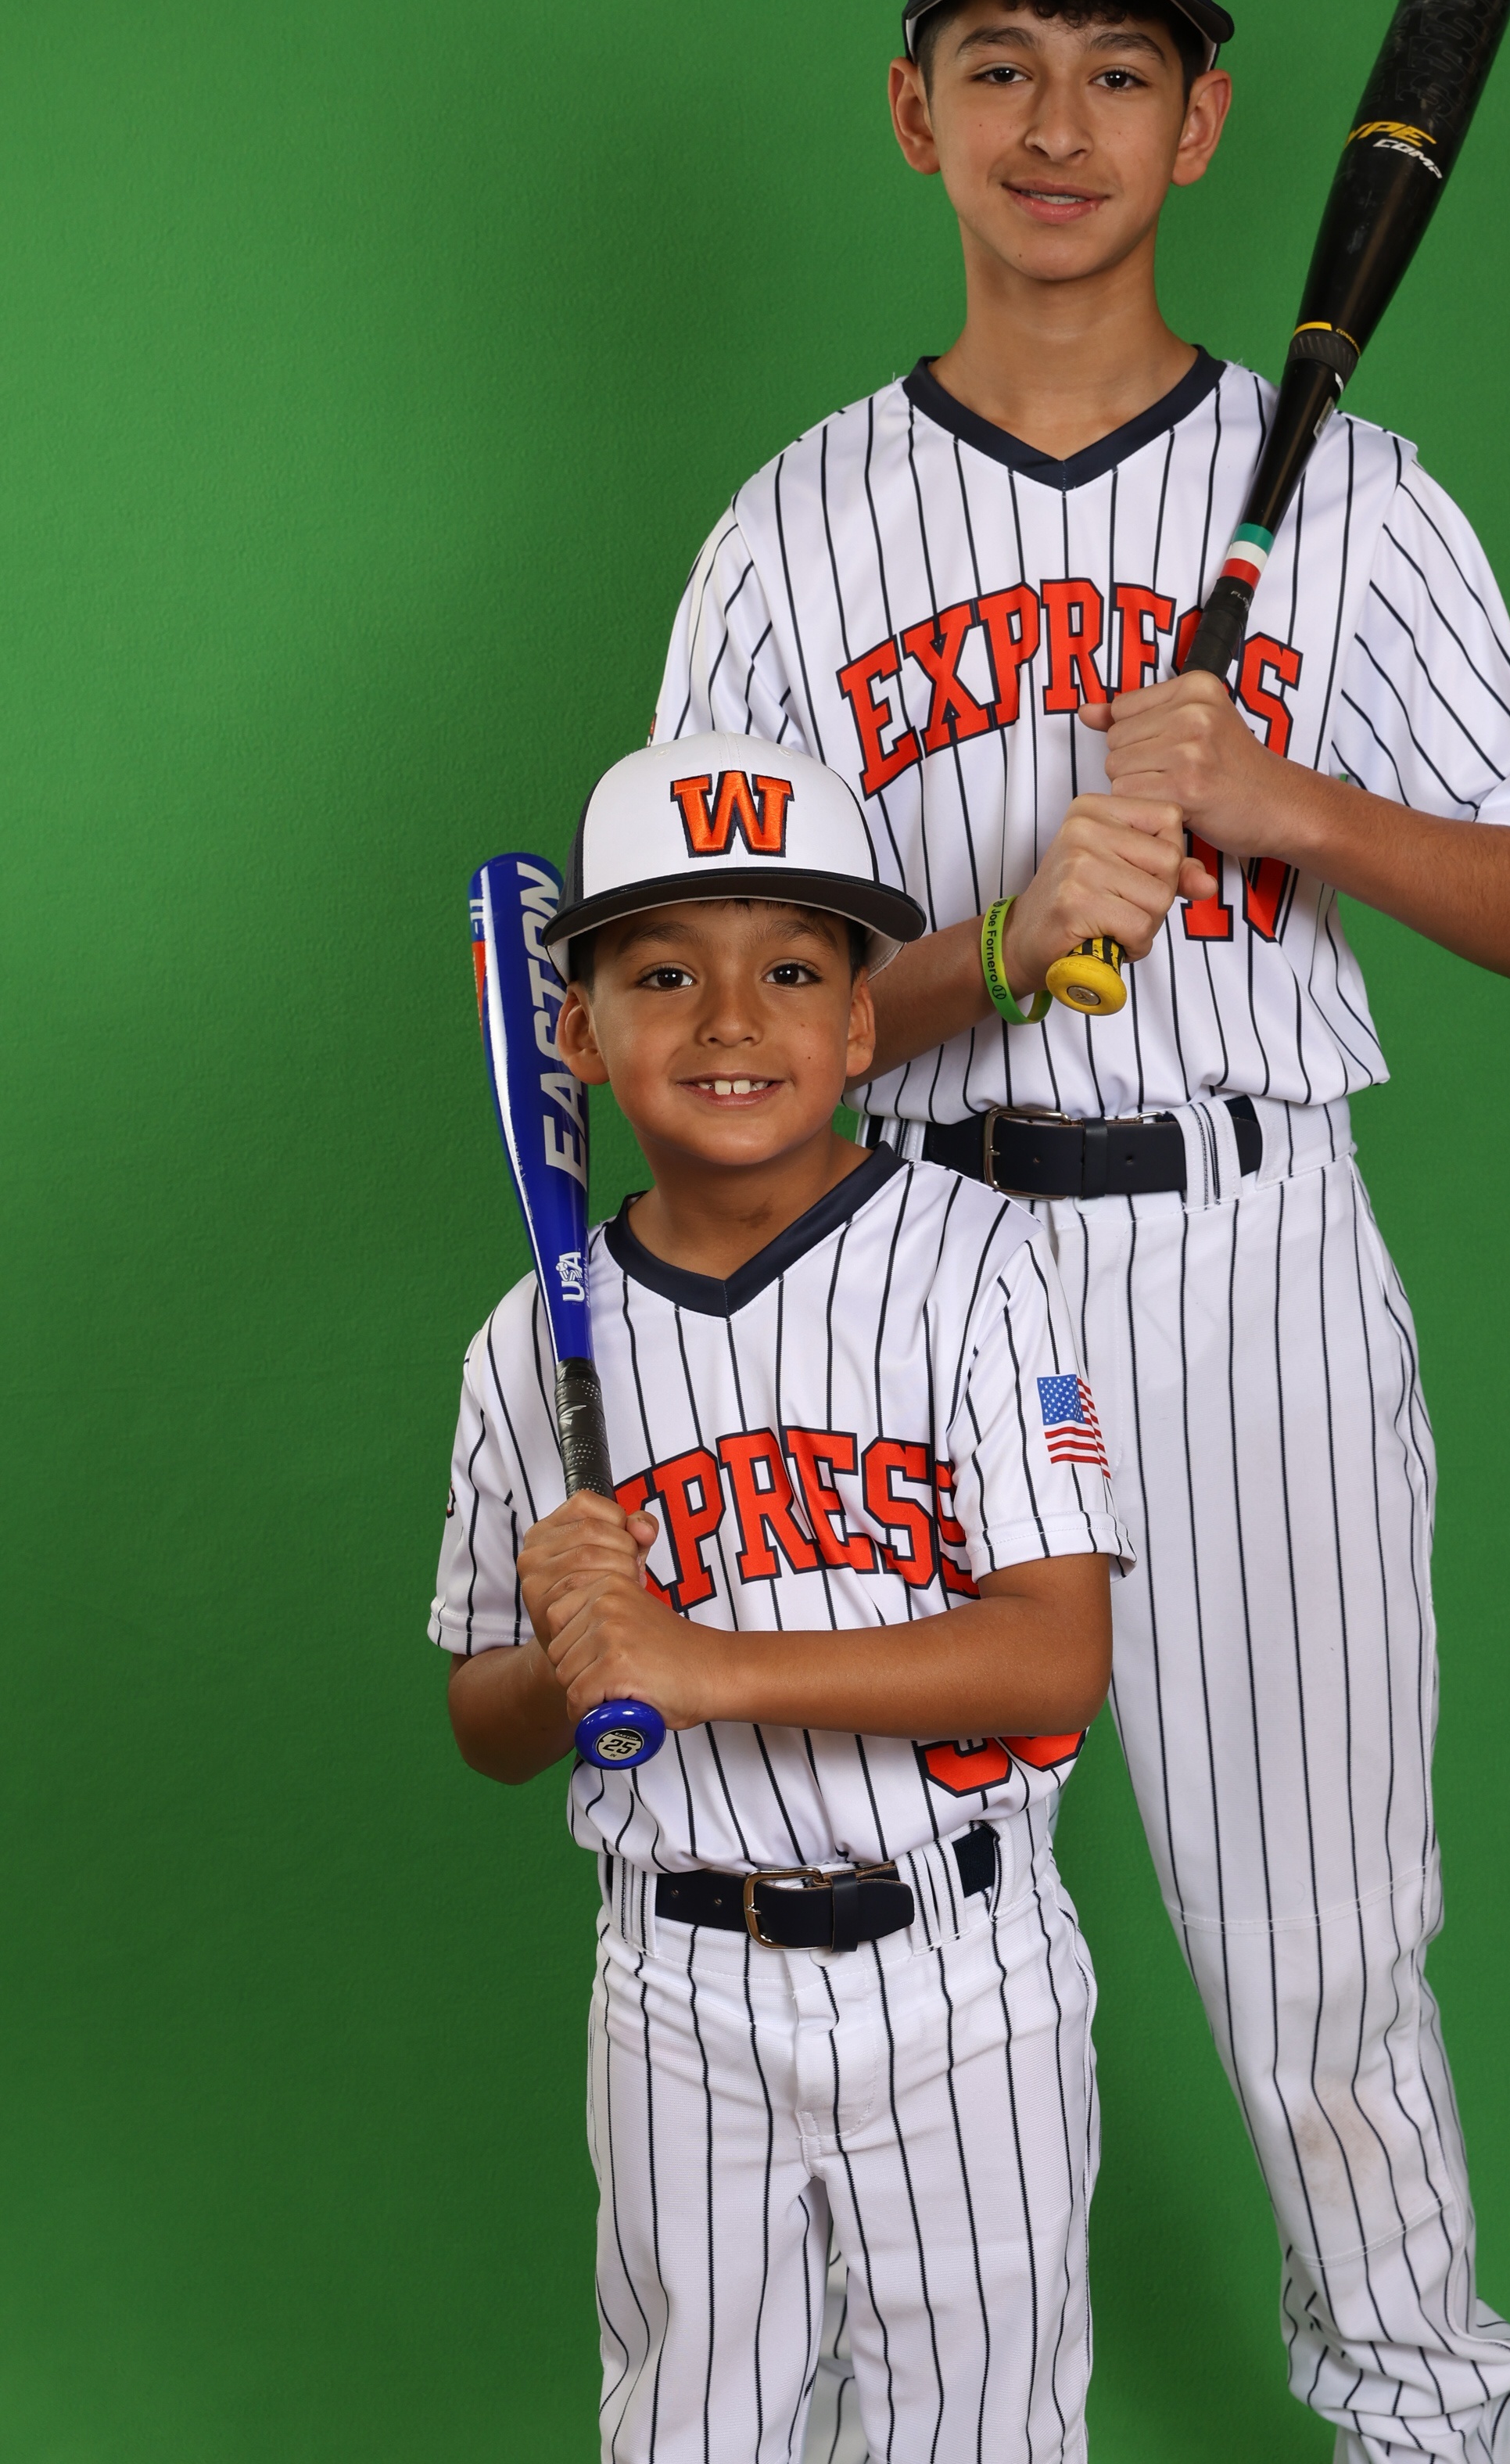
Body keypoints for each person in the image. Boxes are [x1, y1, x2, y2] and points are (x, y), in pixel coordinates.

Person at [651, 0, 1510, 2464]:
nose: (1056, 123)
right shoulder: (792, 538)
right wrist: (989, 944)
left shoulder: (1363, 505)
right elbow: (695, 1031)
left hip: (1246, 1262)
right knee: (868, 1951)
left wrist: (1289, 807)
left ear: (1204, 125)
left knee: (1322, 1960)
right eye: (999, 65)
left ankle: (1427, 2424)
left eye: (1117, 70)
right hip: (902, 1285)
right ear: (912, 111)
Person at [432, 731, 1131, 2464]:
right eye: (665, 972)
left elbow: (1056, 1656)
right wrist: (565, 1653)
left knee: (982, 2432)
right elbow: (486, 1725)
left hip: (965, 1968)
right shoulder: (528, 1345)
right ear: (577, 1035)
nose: (730, 1020)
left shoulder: (979, 1261)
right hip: (677, 1983)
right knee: (688, 2427)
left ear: (862, 1024)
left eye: (793, 971)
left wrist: (698, 1662)